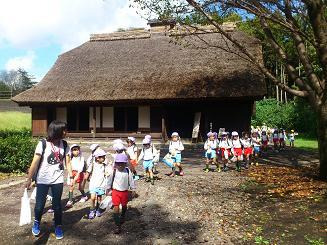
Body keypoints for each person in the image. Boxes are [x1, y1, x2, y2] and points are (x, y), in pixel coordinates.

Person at [25, 120, 71, 240]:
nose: (66, 132)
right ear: (56, 131)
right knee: (40, 205)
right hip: (43, 179)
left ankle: (58, 226)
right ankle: (36, 222)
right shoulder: (43, 143)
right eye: (64, 130)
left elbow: (68, 161)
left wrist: (71, 175)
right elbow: (35, 162)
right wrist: (29, 179)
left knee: (57, 206)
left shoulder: (65, 144)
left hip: (58, 179)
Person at [106, 153, 136, 234]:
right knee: (116, 207)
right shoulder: (114, 171)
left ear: (125, 163)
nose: (120, 166)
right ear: (116, 164)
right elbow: (109, 180)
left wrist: (133, 189)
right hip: (115, 192)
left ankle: (123, 215)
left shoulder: (127, 171)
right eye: (118, 164)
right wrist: (108, 189)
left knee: (124, 206)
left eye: (121, 164)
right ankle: (117, 225)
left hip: (125, 192)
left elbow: (131, 180)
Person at [85, 148, 110, 219]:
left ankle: (98, 209)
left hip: (101, 184)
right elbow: (88, 172)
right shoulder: (93, 164)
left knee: (99, 198)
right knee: (92, 198)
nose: (104, 158)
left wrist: (107, 173)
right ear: (97, 158)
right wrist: (86, 178)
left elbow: (107, 172)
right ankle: (92, 210)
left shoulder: (105, 165)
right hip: (93, 184)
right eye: (103, 157)